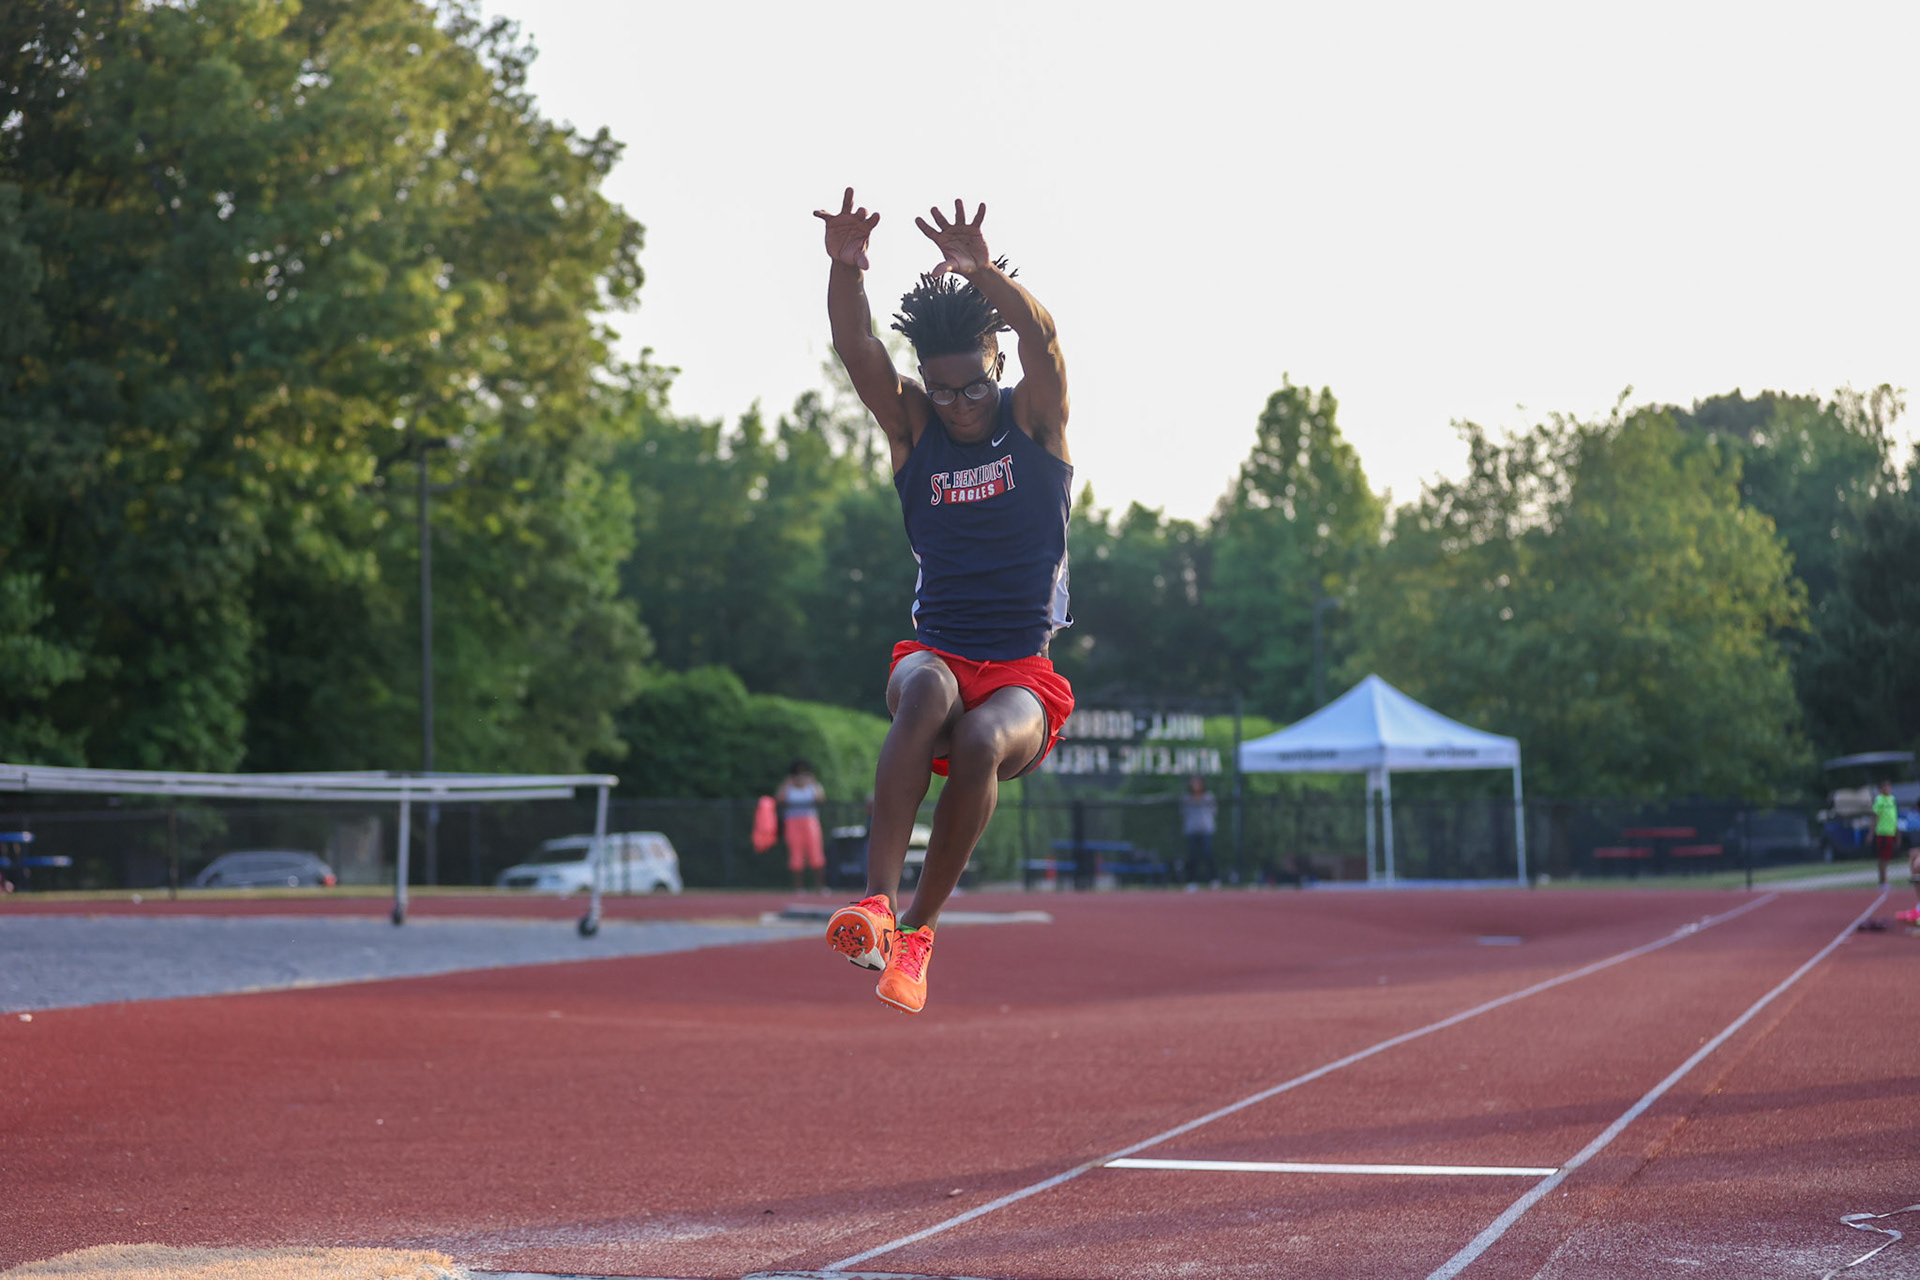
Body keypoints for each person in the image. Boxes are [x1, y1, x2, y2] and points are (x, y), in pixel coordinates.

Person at [812, 189, 1075, 1014]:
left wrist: (986, 272)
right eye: (942, 388)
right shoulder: (916, 429)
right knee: (926, 691)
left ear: (994, 366)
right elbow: (856, 349)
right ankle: (876, 903)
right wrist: (846, 270)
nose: (958, 406)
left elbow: (1045, 339)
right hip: (938, 650)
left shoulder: (1033, 422)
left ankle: (917, 935)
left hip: (1024, 672)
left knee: (984, 743)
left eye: (971, 388)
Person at [777, 760, 827, 893]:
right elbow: (779, 798)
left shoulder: (812, 786)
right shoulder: (789, 787)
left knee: (816, 853)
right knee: (796, 855)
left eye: (803, 773)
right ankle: (799, 887)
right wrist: (786, 783)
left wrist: (813, 783)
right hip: (793, 822)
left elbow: (821, 798)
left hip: (810, 822)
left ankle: (821, 886)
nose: (800, 777)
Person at [1180, 775, 1219, 889]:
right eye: (1193, 783)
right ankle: (1192, 881)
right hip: (1192, 830)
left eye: (1198, 783)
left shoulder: (1209, 797)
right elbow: (1183, 812)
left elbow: (1214, 811)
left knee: (1208, 854)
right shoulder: (1186, 798)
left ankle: (1214, 879)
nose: (1196, 785)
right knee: (1192, 856)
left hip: (1206, 830)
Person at [1873, 779, 1899, 889]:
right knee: (1882, 858)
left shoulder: (1892, 799)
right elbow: (1875, 816)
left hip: (1890, 831)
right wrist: (1872, 831)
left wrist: (1897, 831)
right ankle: (1882, 881)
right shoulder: (1879, 800)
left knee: (1887, 857)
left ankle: (1885, 880)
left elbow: (1894, 816)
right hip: (1882, 832)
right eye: (1885, 787)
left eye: (1889, 786)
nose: (1887, 789)